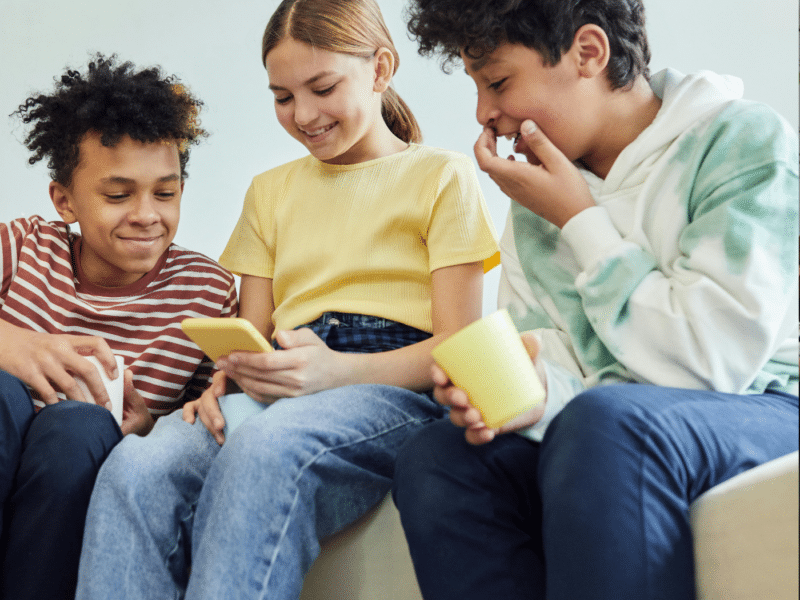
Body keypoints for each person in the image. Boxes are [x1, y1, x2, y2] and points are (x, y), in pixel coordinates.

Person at [75, 1, 499, 598]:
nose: (302, 114)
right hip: (279, 378)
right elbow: (251, 333)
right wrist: (225, 381)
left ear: (381, 69)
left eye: (322, 88)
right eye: (282, 96)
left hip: (392, 389)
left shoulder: (442, 177)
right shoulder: (269, 192)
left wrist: (333, 372)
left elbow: (461, 345)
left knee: (264, 448)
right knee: (137, 466)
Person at [391, 1, 800, 599]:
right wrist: (522, 391)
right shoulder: (539, 200)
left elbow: (710, 361)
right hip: (614, 416)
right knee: (437, 455)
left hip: (765, 401)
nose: (486, 115)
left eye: (498, 82)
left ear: (589, 52)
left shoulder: (742, 142)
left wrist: (581, 219)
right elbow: (561, 361)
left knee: (607, 423)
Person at [0, 54, 238, 600]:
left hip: (75, 486)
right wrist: (10, 343)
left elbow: (205, 424)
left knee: (78, 427)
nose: (146, 214)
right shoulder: (21, 247)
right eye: (117, 195)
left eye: (166, 192)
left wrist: (150, 424)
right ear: (64, 200)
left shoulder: (207, 293)